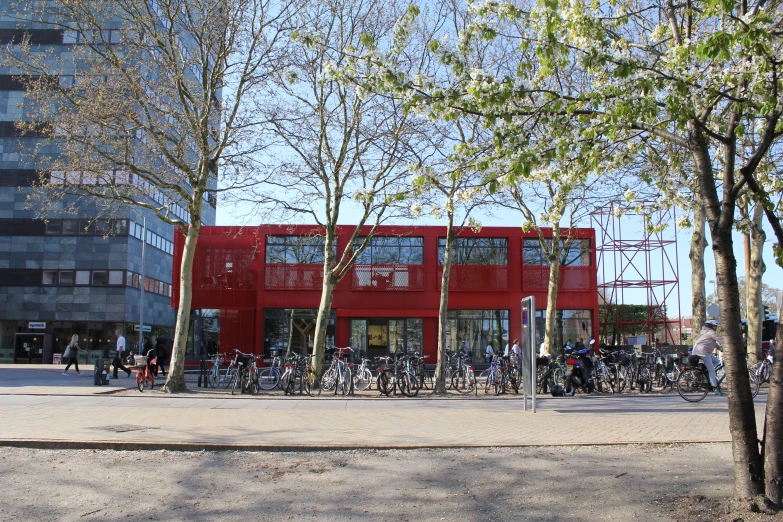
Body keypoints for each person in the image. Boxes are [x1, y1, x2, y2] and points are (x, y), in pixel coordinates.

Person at [692, 319, 723, 395]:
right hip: (703, 352)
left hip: (700, 351)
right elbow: (721, 340)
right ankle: (715, 388)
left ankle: (705, 372)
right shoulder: (711, 332)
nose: (715, 328)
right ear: (711, 326)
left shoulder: (706, 333)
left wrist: (721, 349)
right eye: (715, 326)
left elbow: (714, 343)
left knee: (717, 361)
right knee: (711, 370)